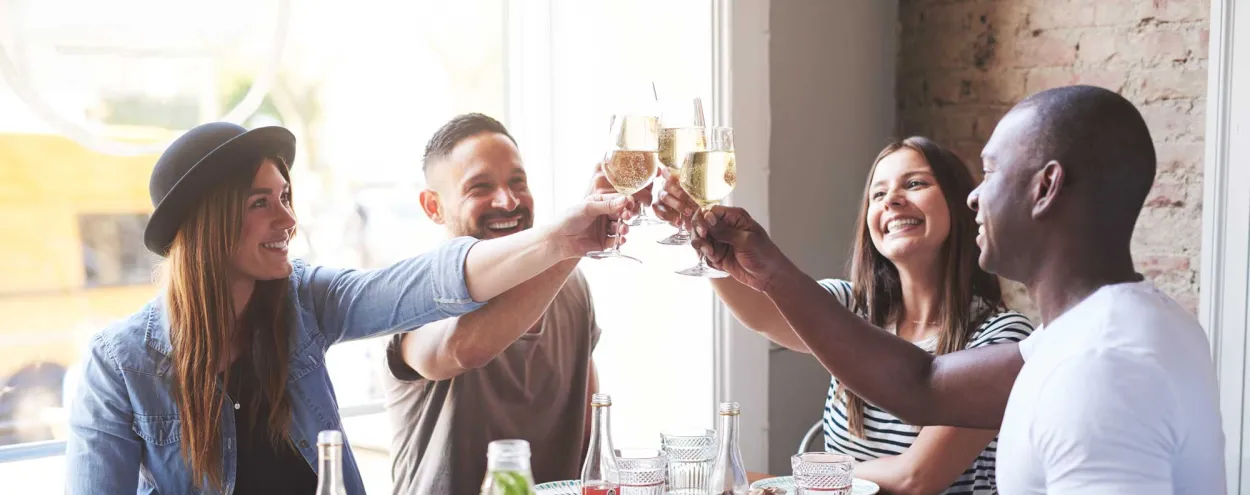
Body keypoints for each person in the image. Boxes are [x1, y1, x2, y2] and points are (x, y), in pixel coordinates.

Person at [679, 85, 1226, 493]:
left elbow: (919, 460)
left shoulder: (1102, 367)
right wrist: (763, 267)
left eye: (990, 173)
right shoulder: (1100, 330)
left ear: (1045, 188)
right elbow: (924, 383)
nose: (974, 197)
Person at [63, 121, 635, 495]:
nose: (287, 220)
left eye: (285, 197)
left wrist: (565, 237)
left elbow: (419, 284)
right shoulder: (118, 364)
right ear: (208, 227)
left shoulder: (304, 300)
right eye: (260, 203)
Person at [655, 137, 1033, 494]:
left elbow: (916, 478)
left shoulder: (1000, 339)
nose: (893, 201)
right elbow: (762, 313)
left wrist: (803, 479)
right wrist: (700, 232)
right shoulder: (851, 308)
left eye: (915, 184)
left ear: (957, 202)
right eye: (878, 193)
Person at [381, 113, 648, 494]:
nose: (507, 201)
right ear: (433, 207)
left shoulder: (571, 286)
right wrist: (572, 245)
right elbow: (461, 350)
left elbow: (592, 439)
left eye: (517, 182)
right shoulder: (412, 291)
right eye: (480, 187)